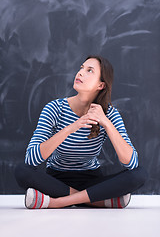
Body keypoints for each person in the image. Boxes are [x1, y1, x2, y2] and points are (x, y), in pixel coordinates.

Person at [15, 55, 147, 209]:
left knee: (140, 174)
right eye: (81, 68)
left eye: (89, 70)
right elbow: (31, 159)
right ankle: (96, 200)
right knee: (22, 171)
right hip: (56, 179)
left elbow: (131, 162)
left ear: (101, 85)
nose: (80, 73)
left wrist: (106, 123)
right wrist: (70, 128)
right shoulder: (54, 109)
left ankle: (57, 202)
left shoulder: (109, 114)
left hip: (91, 179)